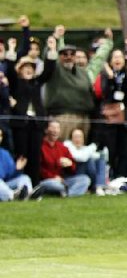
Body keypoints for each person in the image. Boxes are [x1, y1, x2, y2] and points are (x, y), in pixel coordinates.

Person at [4, 55, 53, 185]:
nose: (29, 69)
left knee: (35, 156)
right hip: (21, 125)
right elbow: (10, 72)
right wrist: (11, 55)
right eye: (25, 67)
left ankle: (35, 185)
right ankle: (21, 184)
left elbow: (48, 72)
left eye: (31, 67)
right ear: (20, 70)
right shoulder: (16, 83)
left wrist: (52, 53)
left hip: (36, 125)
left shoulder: (36, 83)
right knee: (22, 154)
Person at [94, 48, 127, 178]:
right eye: (115, 57)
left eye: (120, 57)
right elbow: (106, 94)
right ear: (110, 61)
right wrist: (111, 78)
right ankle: (110, 176)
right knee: (111, 149)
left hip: (126, 119)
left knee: (126, 150)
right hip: (110, 120)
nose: (118, 60)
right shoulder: (104, 75)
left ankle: (122, 177)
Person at [31, 120, 91, 198]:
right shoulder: (40, 146)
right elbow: (38, 169)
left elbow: (73, 169)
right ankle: (68, 191)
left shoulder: (63, 147)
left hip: (63, 180)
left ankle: (68, 194)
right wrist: (53, 177)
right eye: (52, 127)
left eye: (57, 128)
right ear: (46, 130)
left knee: (85, 179)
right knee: (55, 185)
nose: (55, 130)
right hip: (47, 180)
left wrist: (70, 164)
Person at [65, 128, 109, 195]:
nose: (78, 139)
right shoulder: (67, 145)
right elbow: (81, 157)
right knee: (89, 160)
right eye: (76, 137)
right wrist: (94, 146)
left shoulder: (85, 148)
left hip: (86, 175)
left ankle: (99, 186)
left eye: (80, 137)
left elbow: (101, 156)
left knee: (100, 159)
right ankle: (95, 187)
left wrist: (102, 152)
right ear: (71, 139)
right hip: (73, 175)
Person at [0, 127, 32, 201]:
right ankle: (14, 195)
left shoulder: (5, 153)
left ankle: (29, 194)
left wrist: (17, 169)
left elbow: (11, 175)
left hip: (4, 184)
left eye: (0, 135)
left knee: (24, 178)